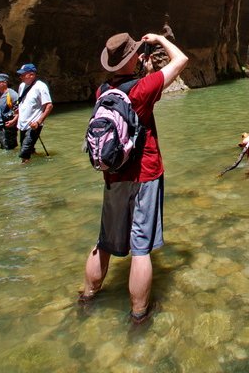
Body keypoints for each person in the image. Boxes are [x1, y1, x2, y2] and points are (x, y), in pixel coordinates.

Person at [80, 31, 188, 324]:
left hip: (113, 176)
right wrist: (159, 40)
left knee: (104, 241)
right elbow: (181, 60)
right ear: (134, 59)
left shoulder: (103, 91)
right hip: (145, 174)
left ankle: (88, 297)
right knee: (141, 248)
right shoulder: (143, 88)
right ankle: (139, 314)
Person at [16, 63, 53, 164]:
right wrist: (15, 119)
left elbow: (49, 106)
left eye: (23, 74)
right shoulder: (22, 86)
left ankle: (24, 175)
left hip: (34, 125)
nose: (21, 77)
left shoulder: (41, 86)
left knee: (24, 153)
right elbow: (21, 104)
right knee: (28, 149)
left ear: (32, 75)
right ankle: (36, 157)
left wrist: (38, 122)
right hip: (23, 124)